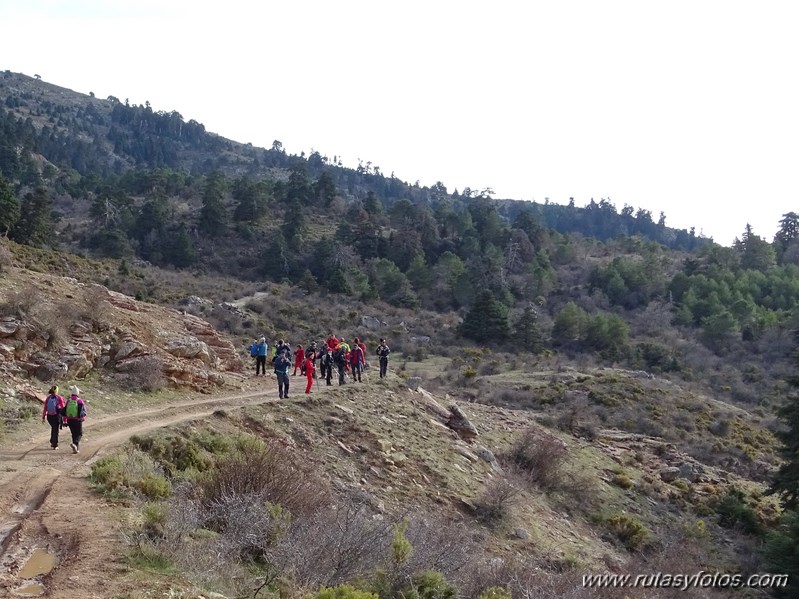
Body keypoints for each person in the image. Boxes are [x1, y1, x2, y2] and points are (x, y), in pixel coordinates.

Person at [63, 386, 87, 454]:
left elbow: (65, 411)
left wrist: (65, 420)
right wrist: (82, 418)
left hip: (69, 419)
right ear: (78, 393)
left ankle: (75, 449)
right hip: (77, 420)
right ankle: (75, 444)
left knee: (73, 433)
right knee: (79, 433)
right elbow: (84, 411)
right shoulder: (79, 401)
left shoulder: (68, 401)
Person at [41, 385, 65, 450]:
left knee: (54, 428)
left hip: (49, 416)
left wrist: (43, 417)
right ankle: (55, 444)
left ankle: (52, 441)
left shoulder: (48, 398)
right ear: (57, 391)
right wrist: (65, 417)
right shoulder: (59, 397)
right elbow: (63, 407)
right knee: (55, 429)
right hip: (56, 416)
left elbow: (45, 408)